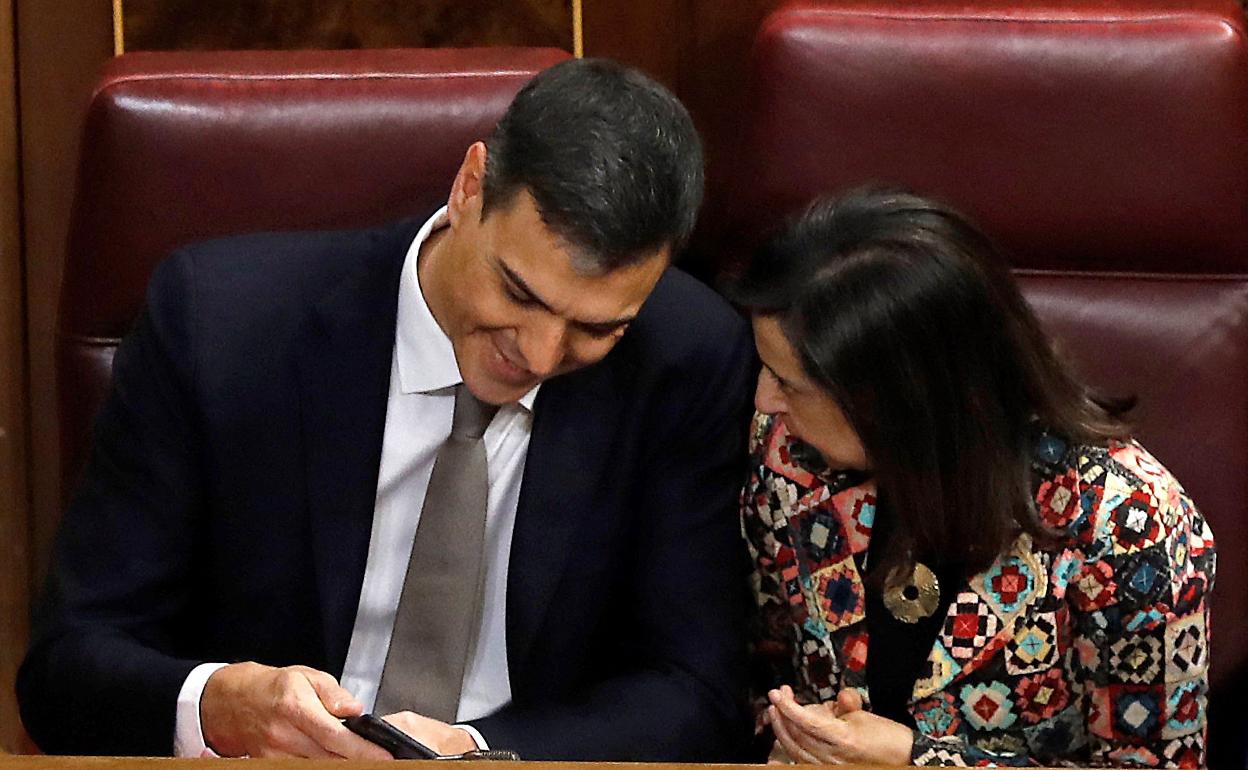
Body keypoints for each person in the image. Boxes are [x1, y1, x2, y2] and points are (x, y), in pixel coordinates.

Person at [18, 58, 755, 761]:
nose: (537, 354)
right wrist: (217, 703)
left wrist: (485, 755)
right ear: (470, 187)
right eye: (518, 293)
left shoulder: (685, 358)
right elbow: (67, 668)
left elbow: (696, 693)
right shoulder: (219, 332)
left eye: (596, 328)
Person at [731, 189, 1215, 767]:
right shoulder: (790, 458)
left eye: (790, 383)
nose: (765, 399)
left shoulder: (1130, 527)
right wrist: (786, 734)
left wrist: (920, 762)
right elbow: (765, 662)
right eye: (765, 369)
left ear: (899, 401)